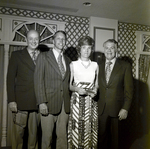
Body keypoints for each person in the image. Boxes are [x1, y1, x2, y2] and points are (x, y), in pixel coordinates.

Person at [34, 30, 71, 149]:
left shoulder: (68, 60)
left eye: (63, 39)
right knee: (47, 138)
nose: (61, 41)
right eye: (58, 39)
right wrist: (41, 102)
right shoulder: (44, 56)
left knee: (62, 137)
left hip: (65, 105)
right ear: (53, 40)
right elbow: (38, 81)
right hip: (48, 103)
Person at [7, 30, 40, 149]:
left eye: (36, 38)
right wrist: (11, 100)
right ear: (26, 40)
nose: (33, 41)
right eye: (30, 38)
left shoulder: (43, 56)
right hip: (20, 102)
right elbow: (10, 80)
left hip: (37, 103)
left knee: (34, 136)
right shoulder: (16, 55)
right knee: (18, 136)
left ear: (39, 40)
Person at [98, 39, 134, 149]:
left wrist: (125, 108)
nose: (109, 50)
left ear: (116, 49)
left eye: (112, 48)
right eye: (107, 48)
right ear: (104, 50)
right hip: (101, 109)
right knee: (101, 139)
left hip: (118, 109)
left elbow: (129, 89)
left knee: (116, 141)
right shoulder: (98, 66)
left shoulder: (125, 66)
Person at [68, 36, 99, 148]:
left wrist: (95, 90)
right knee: (77, 131)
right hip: (77, 102)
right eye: (84, 47)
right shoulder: (73, 64)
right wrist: (77, 89)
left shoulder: (95, 65)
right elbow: (69, 85)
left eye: (89, 48)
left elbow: (97, 84)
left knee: (89, 129)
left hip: (91, 101)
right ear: (79, 49)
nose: (86, 50)